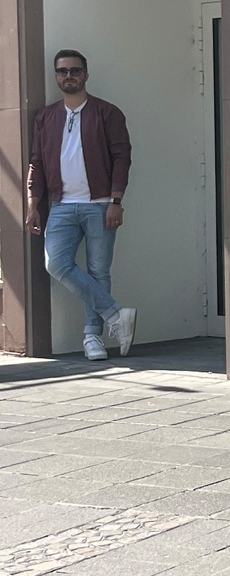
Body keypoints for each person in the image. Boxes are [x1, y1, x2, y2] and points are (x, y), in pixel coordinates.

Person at [25, 50, 137, 360]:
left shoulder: (107, 113)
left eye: (75, 70)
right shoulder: (46, 117)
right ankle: (116, 316)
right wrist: (33, 203)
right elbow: (37, 162)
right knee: (56, 264)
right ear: (56, 76)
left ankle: (92, 337)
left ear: (85, 75)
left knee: (99, 271)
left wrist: (116, 201)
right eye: (62, 71)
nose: (69, 76)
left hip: (100, 204)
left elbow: (122, 158)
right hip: (61, 205)